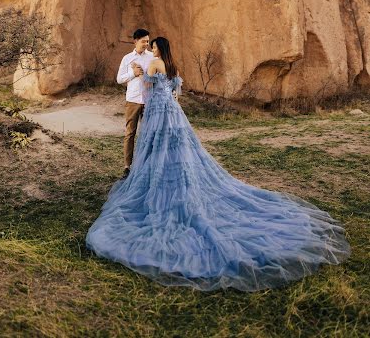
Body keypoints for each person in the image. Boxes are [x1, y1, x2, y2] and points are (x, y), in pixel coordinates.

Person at [86, 37, 350, 292]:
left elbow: (147, 88)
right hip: (174, 112)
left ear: (158, 48)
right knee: (178, 147)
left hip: (157, 111)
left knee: (156, 146)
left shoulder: (154, 64)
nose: (152, 49)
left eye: (153, 46)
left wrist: (137, 73)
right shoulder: (173, 66)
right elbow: (176, 91)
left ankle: (159, 181)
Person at [116, 28, 154, 179]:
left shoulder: (151, 57)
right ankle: (127, 166)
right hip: (132, 101)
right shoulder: (127, 59)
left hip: (148, 101)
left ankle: (144, 165)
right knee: (130, 133)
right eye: (144, 41)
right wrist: (133, 73)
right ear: (135, 41)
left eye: (147, 41)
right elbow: (119, 79)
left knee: (146, 134)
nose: (146, 44)